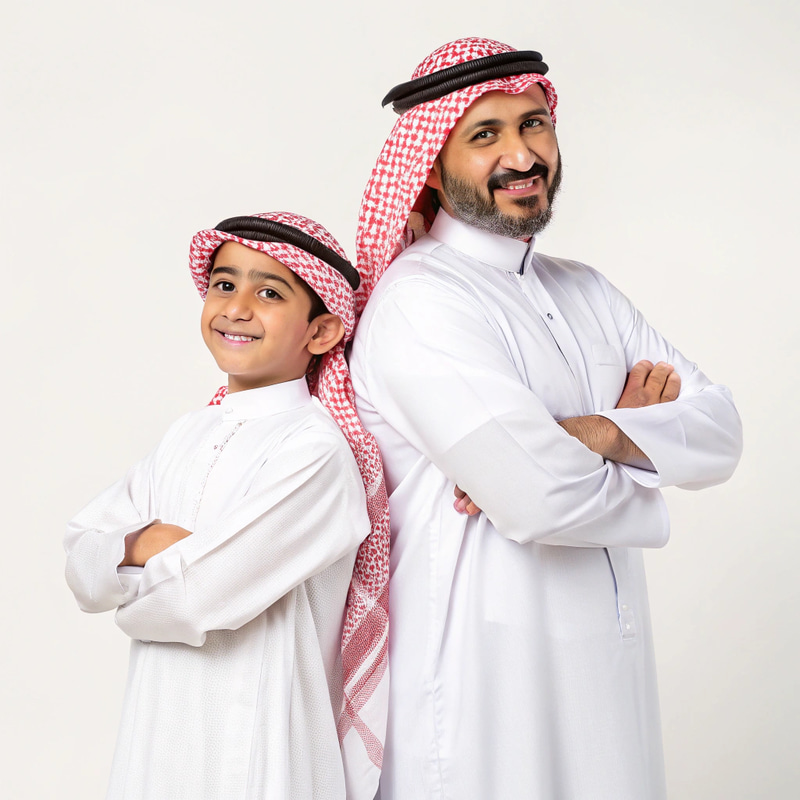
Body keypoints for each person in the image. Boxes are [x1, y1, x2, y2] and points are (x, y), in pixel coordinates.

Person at [349, 37, 743, 799]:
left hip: (605, 665)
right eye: (485, 135)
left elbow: (722, 431)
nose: (522, 155)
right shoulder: (420, 302)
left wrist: (589, 434)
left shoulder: (586, 290)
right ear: (430, 163)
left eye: (534, 124)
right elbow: (538, 499)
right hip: (480, 672)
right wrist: (650, 453)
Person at [64, 212, 389, 800]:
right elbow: (81, 564)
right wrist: (141, 544)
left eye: (269, 293)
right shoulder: (187, 432)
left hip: (261, 738)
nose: (237, 308)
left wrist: (128, 581)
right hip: (158, 725)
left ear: (320, 333)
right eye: (224, 284)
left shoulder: (315, 451)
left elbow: (197, 600)